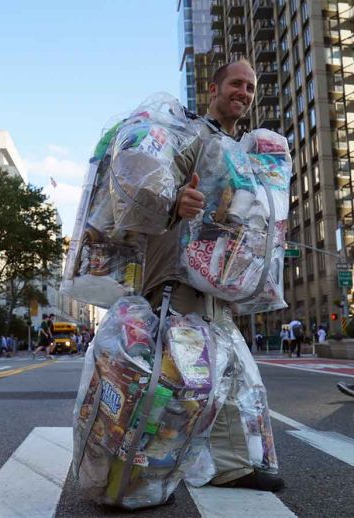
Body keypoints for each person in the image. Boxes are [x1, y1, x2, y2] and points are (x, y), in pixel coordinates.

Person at [142, 60, 284, 492]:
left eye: (251, 87)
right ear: (214, 88)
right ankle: (137, 464)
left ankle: (228, 464)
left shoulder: (243, 152)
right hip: (177, 277)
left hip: (216, 280)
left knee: (222, 372)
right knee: (182, 375)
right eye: (236, 84)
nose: (244, 92)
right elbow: (143, 197)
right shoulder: (189, 136)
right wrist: (175, 202)